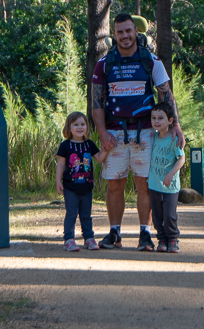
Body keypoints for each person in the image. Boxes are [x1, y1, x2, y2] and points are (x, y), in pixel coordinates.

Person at [91, 13, 184, 251]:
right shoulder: (104, 64)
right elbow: (97, 103)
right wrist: (102, 133)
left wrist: (176, 126)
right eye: (119, 32)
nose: (124, 36)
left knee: (145, 184)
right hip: (114, 133)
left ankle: (145, 233)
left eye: (128, 31)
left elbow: (166, 95)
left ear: (136, 32)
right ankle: (115, 233)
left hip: (145, 133)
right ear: (114, 34)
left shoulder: (151, 61)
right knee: (114, 184)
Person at [55, 111, 107, 252]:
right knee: (71, 213)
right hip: (70, 187)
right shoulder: (65, 145)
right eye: (76, 124)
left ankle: (89, 238)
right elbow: (60, 164)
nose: (79, 127)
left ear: (87, 127)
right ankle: (69, 239)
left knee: (86, 215)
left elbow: (100, 158)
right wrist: (58, 180)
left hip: (87, 187)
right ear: (69, 127)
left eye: (82, 124)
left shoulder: (89, 144)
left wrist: (106, 148)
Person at [147, 102, 185, 253]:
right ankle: (162, 239)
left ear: (170, 120)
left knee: (169, 215)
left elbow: (181, 159)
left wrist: (171, 174)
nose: (156, 121)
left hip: (170, 186)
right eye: (154, 118)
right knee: (157, 216)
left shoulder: (174, 139)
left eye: (160, 118)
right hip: (154, 184)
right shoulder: (153, 137)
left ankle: (173, 239)